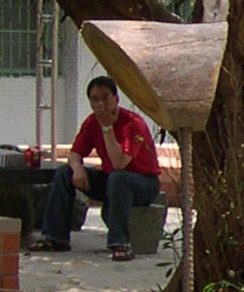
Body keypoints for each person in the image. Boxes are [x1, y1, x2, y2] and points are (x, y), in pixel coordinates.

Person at [33, 76, 161, 259]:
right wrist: (77, 169)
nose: (101, 103)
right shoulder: (91, 122)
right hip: (112, 181)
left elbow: (119, 164)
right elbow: (75, 154)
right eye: (95, 99)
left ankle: (121, 243)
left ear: (116, 99)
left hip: (142, 183)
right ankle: (55, 237)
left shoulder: (132, 123)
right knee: (64, 173)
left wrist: (107, 128)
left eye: (105, 97)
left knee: (119, 176)